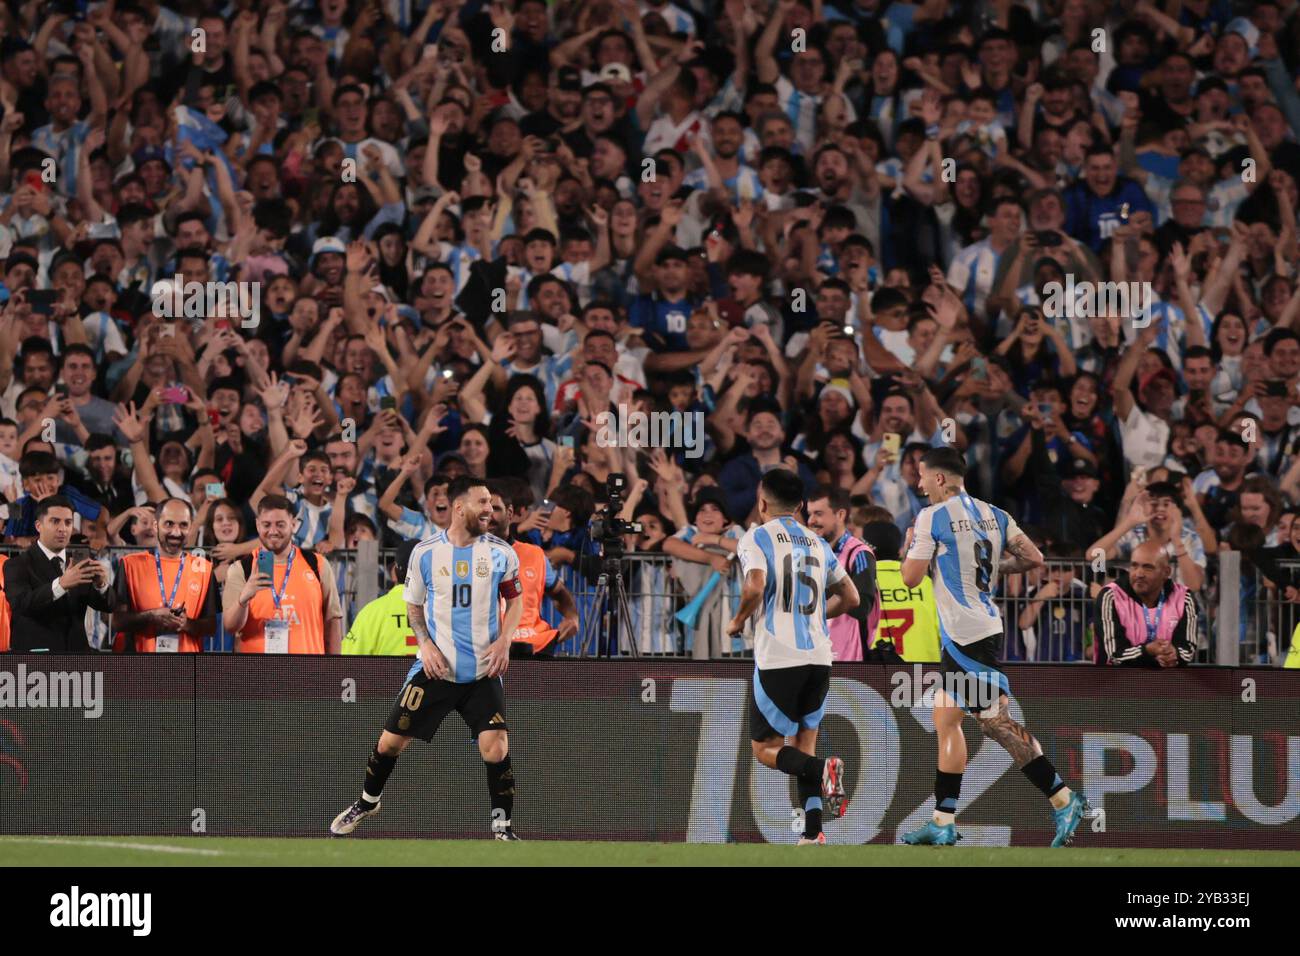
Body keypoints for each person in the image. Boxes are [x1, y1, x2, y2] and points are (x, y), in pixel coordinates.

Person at [900, 447, 1087, 847]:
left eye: (921, 476)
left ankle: (1063, 798)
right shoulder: (995, 514)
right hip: (983, 625)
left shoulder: (931, 517)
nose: (918, 484)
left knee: (995, 723)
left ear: (938, 479)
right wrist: (993, 568)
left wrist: (910, 546)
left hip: (966, 635)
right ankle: (942, 820)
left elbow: (911, 579)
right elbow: (1033, 558)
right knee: (946, 718)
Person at [330, 477, 525, 841]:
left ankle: (502, 827)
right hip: (435, 669)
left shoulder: (502, 553)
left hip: (483, 671)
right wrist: (427, 645)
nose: (490, 509)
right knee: (390, 743)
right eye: (482, 502)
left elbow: (515, 601)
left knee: (496, 746)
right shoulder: (426, 553)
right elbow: (413, 605)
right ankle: (368, 801)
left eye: (492, 503)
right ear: (459, 507)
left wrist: (505, 641)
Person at [726, 469, 860, 846]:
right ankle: (813, 833)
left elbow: (754, 584)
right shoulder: (818, 543)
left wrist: (737, 621)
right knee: (805, 742)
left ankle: (824, 770)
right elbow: (851, 598)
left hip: (779, 656)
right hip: (820, 655)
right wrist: (816, 615)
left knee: (765, 749)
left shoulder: (757, 536)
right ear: (801, 506)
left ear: (762, 501)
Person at [222, 495, 345, 654]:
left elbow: (332, 622)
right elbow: (230, 627)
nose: (273, 531)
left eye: (280, 524)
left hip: (308, 673)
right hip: (258, 673)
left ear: (293, 524)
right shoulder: (241, 569)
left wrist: (334, 669)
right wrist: (244, 599)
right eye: (266, 524)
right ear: (257, 525)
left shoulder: (318, 564)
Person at [3, 495, 114, 653]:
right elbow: (21, 605)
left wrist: (101, 585)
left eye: (68, 522)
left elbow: (108, 606)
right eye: (55, 521)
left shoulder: (79, 563)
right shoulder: (16, 564)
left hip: (78, 661)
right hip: (36, 666)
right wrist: (61, 585)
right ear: (38, 526)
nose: (62, 528)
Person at [111, 498, 217, 653]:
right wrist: (151, 616)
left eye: (183, 525)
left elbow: (211, 626)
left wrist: (186, 624)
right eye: (169, 524)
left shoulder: (204, 569)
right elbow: (118, 622)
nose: (176, 532)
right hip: (140, 668)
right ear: (156, 526)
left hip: (186, 668)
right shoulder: (129, 565)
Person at [488, 480, 578, 658]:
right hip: (483, 649)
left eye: (495, 509)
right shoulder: (461, 555)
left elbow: (558, 592)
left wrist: (572, 617)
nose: (488, 515)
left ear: (510, 512)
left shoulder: (535, 555)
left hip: (532, 648)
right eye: (482, 510)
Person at [1095, 541, 1197, 667]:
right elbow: (1114, 654)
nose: (1139, 574)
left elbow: (1187, 651)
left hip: (1167, 682)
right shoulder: (1110, 596)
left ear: (1166, 572)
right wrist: (1148, 651)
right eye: (1134, 566)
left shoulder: (1184, 597)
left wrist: (1173, 654)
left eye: (1148, 567)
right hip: (1118, 682)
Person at [805, 484, 876, 662]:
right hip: (812, 657)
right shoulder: (808, 552)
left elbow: (862, 606)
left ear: (841, 515)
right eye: (810, 513)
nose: (811, 521)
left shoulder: (858, 553)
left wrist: (828, 582)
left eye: (819, 514)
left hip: (849, 660)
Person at [861, 520, 940, 663]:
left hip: (872, 677)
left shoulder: (859, 586)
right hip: (926, 677)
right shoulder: (925, 583)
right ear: (899, 550)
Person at [341, 540, 420, 657]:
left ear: (394, 572)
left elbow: (346, 659)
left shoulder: (371, 612)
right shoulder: (446, 611)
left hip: (388, 675)